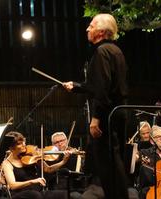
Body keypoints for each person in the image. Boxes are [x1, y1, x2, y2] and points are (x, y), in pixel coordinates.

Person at [62, 13, 130, 199]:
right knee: (115, 164)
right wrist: (76, 87)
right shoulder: (116, 51)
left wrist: (95, 118)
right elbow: (98, 85)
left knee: (109, 167)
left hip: (106, 115)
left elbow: (102, 89)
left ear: (100, 31)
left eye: (91, 26)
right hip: (118, 112)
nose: (87, 29)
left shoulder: (101, 52)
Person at [2, 131, 69, 199]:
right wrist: (32, 181)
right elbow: (13, 185)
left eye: (24, 141)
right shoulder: (7, 163)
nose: (24, 144)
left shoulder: (31, 156)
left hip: (38, 193)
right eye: (19, 144)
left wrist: (63, 161)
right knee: (35, 195)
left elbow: (48, 169)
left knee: (66, 195)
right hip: (20, 194)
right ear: (11, 148)